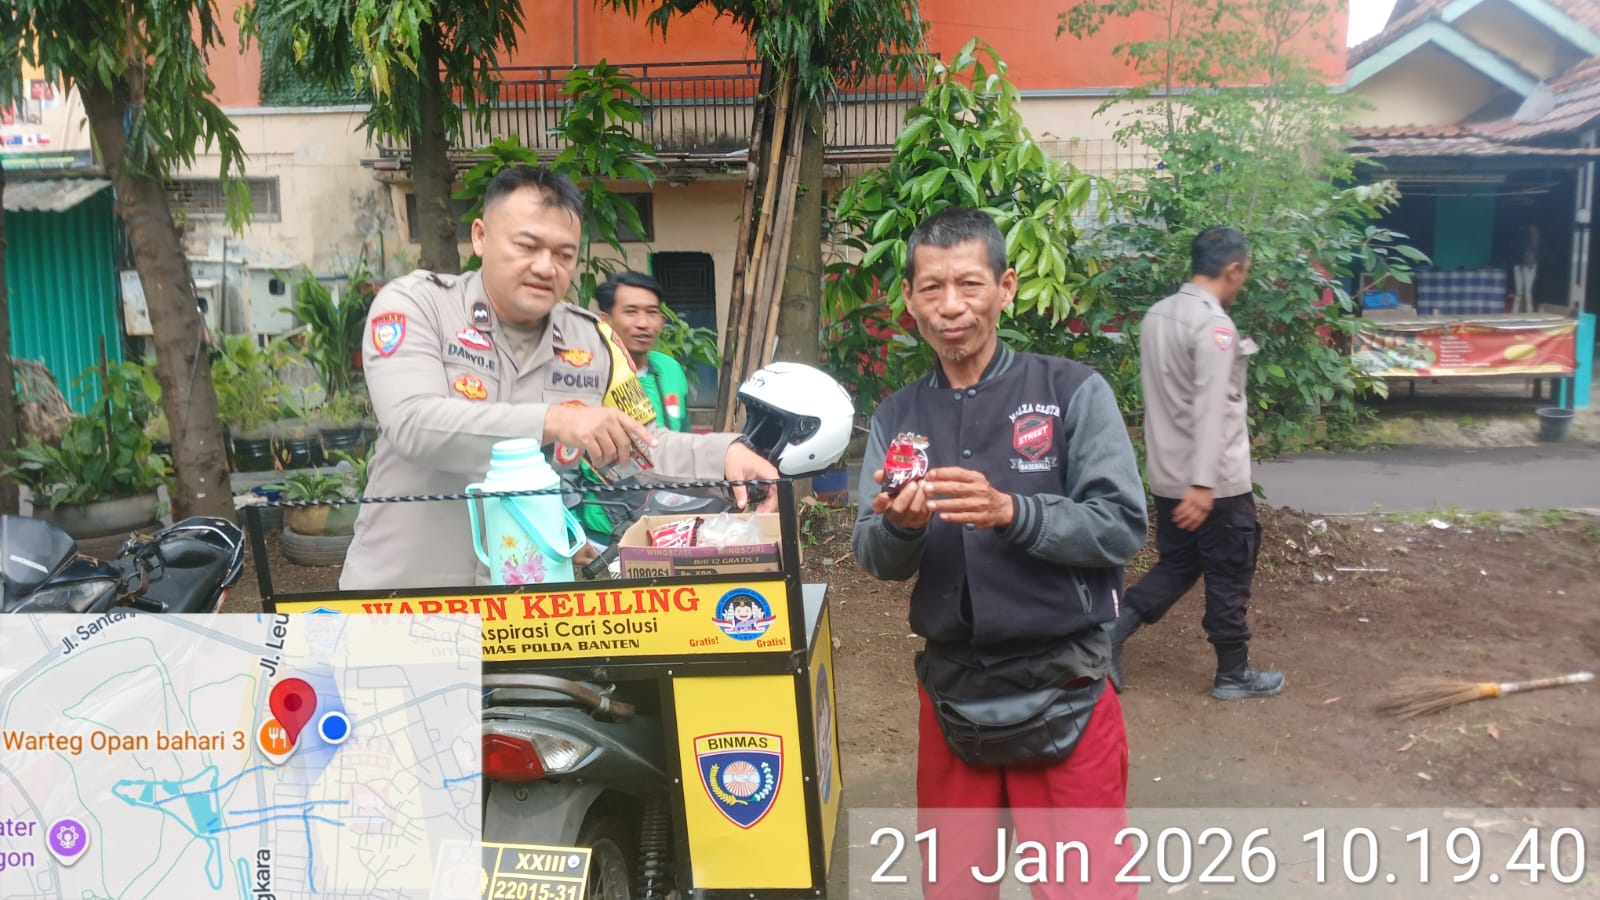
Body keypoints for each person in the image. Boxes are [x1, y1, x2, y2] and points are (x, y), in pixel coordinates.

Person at [852, 207, 1147, 899]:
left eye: (970, 284)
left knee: (1085, 889)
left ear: (1006, 288)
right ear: (909, 300)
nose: (951, 306)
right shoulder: (898, 417)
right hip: (953, 691)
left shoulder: (1071, 391)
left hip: (1067, 683)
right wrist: (901, 529)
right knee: (954, 887)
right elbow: (872, 551)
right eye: (932, 288)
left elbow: (1121, 525)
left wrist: (1013, 512)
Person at [340, 165, 777, 589]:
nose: (546, 267)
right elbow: (413, 423)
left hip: (527, 601)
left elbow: (639, 446)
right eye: (527, 246)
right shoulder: (420, 307)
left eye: (564, 254)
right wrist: (556, 420)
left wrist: (724, 457)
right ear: (480, 236)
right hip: (401, 596)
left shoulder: (592, 340)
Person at [1106, 226, 1285, 700]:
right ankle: (1233, 673)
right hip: (1214, 483)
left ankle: (1113, 631)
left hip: (1168, 475)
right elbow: (1210, 407)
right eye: (1244, 273)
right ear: (1234, 269)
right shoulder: (1213, 325)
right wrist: (1204, 484)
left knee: (1180, 563)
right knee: (1230, 570)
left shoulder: (1157, 315)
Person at [594, 271, 692, 433]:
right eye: (631, 312)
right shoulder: (589, 376)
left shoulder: (670, 368)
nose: (643, 323)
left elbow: (684, 434)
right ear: (605, 321)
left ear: (661, 322)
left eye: (652, 312)